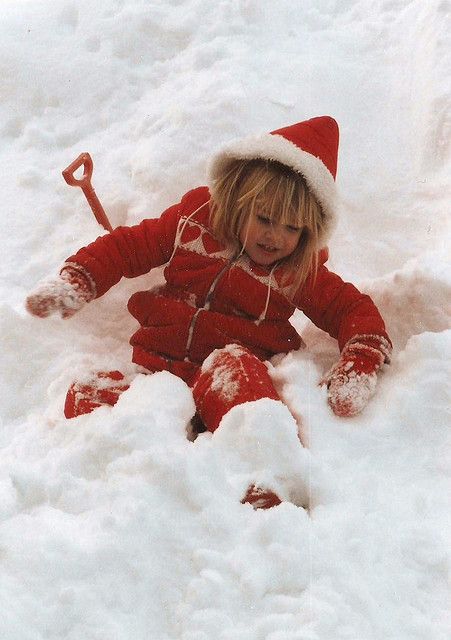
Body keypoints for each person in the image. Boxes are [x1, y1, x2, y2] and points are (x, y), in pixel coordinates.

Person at [26, 116, 392, 508]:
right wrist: (77, 280)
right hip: (158, 373)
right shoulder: (193, 220)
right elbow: (130, 245)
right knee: (85, 394)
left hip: (227, 374)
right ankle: (132, 475)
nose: (275, 236)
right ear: (239, 202)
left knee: (242, 379)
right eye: (264, 219)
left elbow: (348, 307)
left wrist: (361, 357)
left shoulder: (298, 270)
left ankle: (264, 481)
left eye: (292, 228)